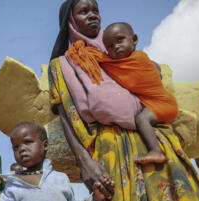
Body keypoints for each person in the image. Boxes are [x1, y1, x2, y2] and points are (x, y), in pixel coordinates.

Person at [49, 0, 199, 201]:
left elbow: (148, 80)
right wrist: (85, 162)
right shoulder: (62, 65)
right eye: (84, 11)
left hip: (154, 139)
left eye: (95, 10)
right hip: (110, 147)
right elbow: (65, 114)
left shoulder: (116, 50)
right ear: (70, 21)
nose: (92, 16)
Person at [65, 22, 178, 164]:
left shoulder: (138, 59)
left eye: (120, 40)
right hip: (156, 103)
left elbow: (106, 63)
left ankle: (156, 151)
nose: (116, 46)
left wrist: (85, 52)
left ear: (134, 40)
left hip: (164, 104)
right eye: (110, 46)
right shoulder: (131, 61)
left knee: (141, 120)